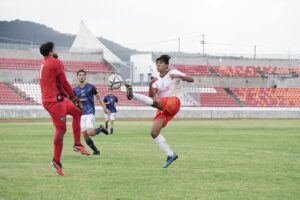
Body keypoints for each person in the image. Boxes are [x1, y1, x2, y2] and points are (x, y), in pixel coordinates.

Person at [125, 55, 194, 168]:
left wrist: (178, 76)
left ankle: (133, 95)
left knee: (155, 101)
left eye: (162, 63)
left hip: (173, 102)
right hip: (162, 105)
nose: (159, 65)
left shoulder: (173, 73)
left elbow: (191, 79)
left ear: (167, 65)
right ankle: (170, 154)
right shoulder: (156, 78)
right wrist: (150, 84)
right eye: (158, 63)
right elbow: (152, 95)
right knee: (154, 132)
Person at [39, 41, 90, 176]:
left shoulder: (45, 62)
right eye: (54, 48)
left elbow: (56, 82)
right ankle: (56, 160)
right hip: (54, 102)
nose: (56, 50)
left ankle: (77, 144)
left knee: (78, 112)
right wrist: (74, 97)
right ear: (51, 51)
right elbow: (64, 82)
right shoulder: (56, 62)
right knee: (61, 130)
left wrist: (69, 97)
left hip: (58, 99)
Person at [73, 69, 110, 155]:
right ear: (77, 77)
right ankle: (96, 151)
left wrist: (104, 108)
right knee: (85, 134)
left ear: (85, 76)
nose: (81, 76)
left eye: (83, 75)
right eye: (80, 75)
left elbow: (99, 97)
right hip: (81, 114)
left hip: (90, 112)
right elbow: (73, 101)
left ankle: (100, 129)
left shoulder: (91, 87)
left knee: (90, 132)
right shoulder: (75, 90)